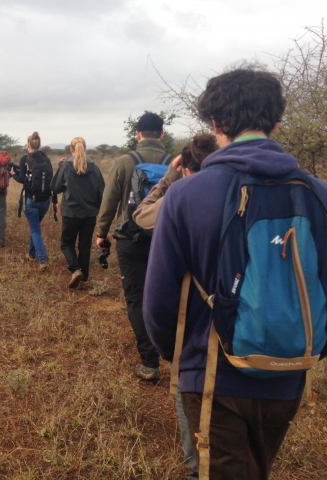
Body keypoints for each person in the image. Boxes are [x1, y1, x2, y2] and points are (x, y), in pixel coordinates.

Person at [144, 67, 327, 480]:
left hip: (211, 377)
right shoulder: (319, 193)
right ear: (277, 121)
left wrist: (179, 358)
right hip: (289, 374)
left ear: (216, 123)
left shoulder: (186, 195)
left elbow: (157, 301)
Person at [132, 133, 218, 480]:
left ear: (185, 167)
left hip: (197, 337)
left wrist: (168, 178)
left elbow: (141, 214)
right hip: (259, 340)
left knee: (199, 457)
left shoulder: (182, 198)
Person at [95, 111, 172, 381]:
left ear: (137, 134)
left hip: (130, 239)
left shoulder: (123, 162)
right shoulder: (176, 163)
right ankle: (175, 356)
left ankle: (149, 363)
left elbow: (110, 202)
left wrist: (102, 233)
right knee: (169, 296)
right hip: (167, 240)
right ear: (162, 135)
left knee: (137, 298)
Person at [51, 137, 105, 288]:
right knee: (85, 245)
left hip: (71, 213)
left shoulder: (66, 166)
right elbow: (102, 191)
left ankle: (75, 269)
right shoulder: (94, 168)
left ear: (71, 150)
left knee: (66, 243)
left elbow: (55, 188)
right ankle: (84, 277)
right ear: (85, 148)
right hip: (89, 214)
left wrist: (60, 166)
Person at [12, 131, 57, 270]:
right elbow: (52, 182)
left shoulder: (25, 159)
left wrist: (13, 174)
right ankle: (31, 254)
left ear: (29, 145)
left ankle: (43, 259)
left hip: (31, 200)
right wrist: (55, 201)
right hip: (45, 200)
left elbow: (21, 179)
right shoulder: (46, 159)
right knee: (35, 227)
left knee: (35, 230)